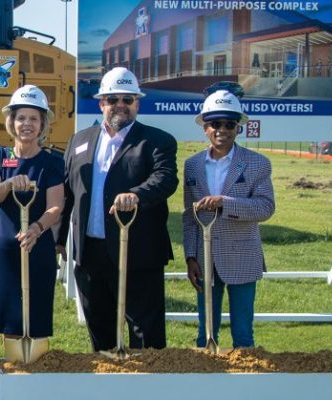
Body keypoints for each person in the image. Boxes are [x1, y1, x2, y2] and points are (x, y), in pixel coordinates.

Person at [58, 67, 178, 351]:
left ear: (137, 103)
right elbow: (67, 192)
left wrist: (136, 195)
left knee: (145, 334)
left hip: (138, 251)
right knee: (100, 332)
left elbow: (165, 179)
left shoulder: (157, 141)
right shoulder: (79, 141)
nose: (120, 105)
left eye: (127, 99)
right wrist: (58, 239)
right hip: (91, 254)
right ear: (101, 103)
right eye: (113, 99)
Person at [183, 90, 275, 348]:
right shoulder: (193, 165)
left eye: (229, 124)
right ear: (205, 128)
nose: (221, 129)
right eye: (215, 123)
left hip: (242, 255)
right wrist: (190, 256)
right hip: (205, 259)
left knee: (243, 335)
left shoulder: (256, 163)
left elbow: (265, 208)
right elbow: (189, 216)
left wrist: (225, 203)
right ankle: (205, 381)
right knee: (206, 334)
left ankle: (245, 382)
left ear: (238, 128)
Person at [0, 85, 64, 341]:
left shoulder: (51, 162)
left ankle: (38, 368)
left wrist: (37, 229)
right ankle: (13, 368)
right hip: (4, 248)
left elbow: (55, 206)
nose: (26, 124)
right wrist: (9, 183)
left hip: (37, 245)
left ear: (42, 124)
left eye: (33, 118)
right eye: (21, 118)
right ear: (11, 122)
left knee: (37, 315)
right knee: (10, 319)